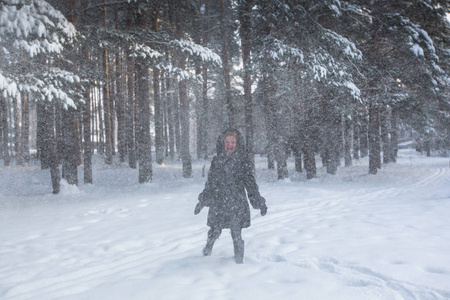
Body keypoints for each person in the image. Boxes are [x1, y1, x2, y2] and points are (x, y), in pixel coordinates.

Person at [194, 128, 268, 264]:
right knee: (215, 230)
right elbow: (211, 183)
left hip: (236, 203)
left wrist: (259, 202)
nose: (230, 145)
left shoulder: (243, 161)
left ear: (237, 143)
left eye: (233, 142)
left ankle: (239, 263)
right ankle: (206, 251)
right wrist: (202, 201)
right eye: (227, 142)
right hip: (219, 202)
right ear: (223, 143)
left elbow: (250, 184)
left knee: (236, 233)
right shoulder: (217, 160)